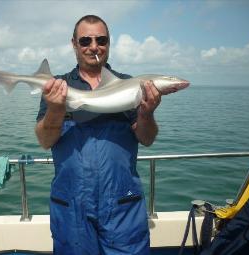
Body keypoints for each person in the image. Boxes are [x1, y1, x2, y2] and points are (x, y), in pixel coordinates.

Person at [35, 15, 161, 255]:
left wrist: (147, 113)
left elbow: (147, 138)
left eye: (101, 40)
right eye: (85, 41)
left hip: (123, 206)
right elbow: (45, 141)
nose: (94, 46)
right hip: (72, 207)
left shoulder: (129, 85)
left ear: (109, 43)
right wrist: (55, 108)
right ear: (74, 43)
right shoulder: (59, 87)